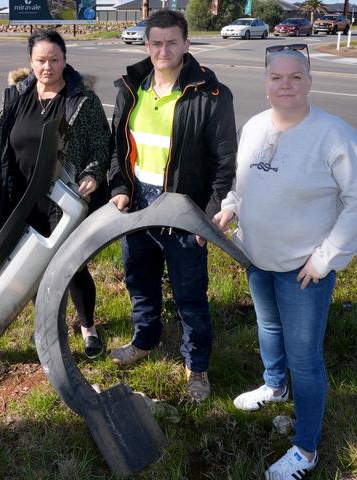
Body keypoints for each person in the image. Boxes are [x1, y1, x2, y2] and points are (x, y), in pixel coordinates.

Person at [214, 44, 357, 480]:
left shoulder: (334, 135)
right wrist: (230, 209)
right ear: (265, 83)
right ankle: (273, 384)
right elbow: (243, 182)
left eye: (295, 77)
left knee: (305, 359)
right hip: (257, 256)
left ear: (309, 81)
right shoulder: (254, 126)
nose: (285, 85)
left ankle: (306, 446)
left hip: (304, 268)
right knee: (267, 327)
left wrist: (325, 259)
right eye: (276, 78)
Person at [108, 9, 237, 402]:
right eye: (156, 42)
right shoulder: (131, 88)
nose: (163, 49)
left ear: (186, 44)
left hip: (184, 210)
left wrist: (209, 214)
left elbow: (224, 161)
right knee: (139, 281)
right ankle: (144, 340)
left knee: (189, 293)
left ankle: (197, 367)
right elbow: (117, 149)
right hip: (138, 206)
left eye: (172, 42)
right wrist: (119, 187)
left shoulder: (211, 94)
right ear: (146, 45)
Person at [0, 29, 111, 359]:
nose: (47, 67)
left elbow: (101, 144)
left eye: (54, 59)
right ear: (30, 62)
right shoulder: (14, 97)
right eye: (41, 60)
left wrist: (93, 173)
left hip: (62, 199)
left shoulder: (82, 100)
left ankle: (87, 327)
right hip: (20, 197)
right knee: (33, 268)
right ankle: (49, 329)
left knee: (73, 267)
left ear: (65, 60)